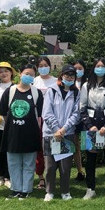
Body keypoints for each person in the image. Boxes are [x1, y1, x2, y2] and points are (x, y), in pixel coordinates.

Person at [0, 63, 43, 200]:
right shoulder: (10, 91)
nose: (29, 76)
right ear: (20, 73)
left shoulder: (36, 93)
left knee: (29, 163)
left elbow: (40, 115)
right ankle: (15, 189)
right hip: (13, 134)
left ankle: (26, 190)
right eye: (26, 73)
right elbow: (4, 114)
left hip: (30, 134)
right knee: (13, 163)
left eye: (32, 75)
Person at [80, 58, 105, 200]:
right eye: (98, 66)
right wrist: (90, 126)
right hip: (90, 127)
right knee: (90, 160)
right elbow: (82, 108)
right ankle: (90, 189)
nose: (100, 68)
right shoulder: (86, 85)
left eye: (103, 66)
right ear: (93, 67)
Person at [42, 65, 80, 201]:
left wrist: (64, 129)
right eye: (67, 75)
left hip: (67, 133)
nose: (69, 77)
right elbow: (46, 112)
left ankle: (65, 191)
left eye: (72, 75)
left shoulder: (76, 92)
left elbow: (76, 114)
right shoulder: (51, 90)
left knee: (65, 166)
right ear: (61, 75)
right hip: (50, 133)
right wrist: (55, 129)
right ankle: (49, 191)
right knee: (50, 165)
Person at [0, 61, 17, 189]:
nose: (3, 74)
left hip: (12, 124)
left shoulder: (15, 88)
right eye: (0, 72)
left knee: (9, 151)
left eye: (6, 71)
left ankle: (8, 177)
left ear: (11, 72)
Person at [33, 56, 57, 189]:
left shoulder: (55, 81)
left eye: (45, 65)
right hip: (37, 120)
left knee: (53, 148)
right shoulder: (34, 81)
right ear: (37, 68)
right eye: (40, 65)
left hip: (52, 120)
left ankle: (52, 175)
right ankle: (41, 177)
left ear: (49, 66)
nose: (43, 68)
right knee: (40, 150)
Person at [72, 59, 87, 182]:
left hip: (87, 118)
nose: (77, 71)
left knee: (86, 145)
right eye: (75, 68)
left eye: (80, 68)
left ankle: (89, 169)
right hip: (74, 118)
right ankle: (80, 171)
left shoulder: (88, 83)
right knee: (75, 145)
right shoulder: (69, 84)